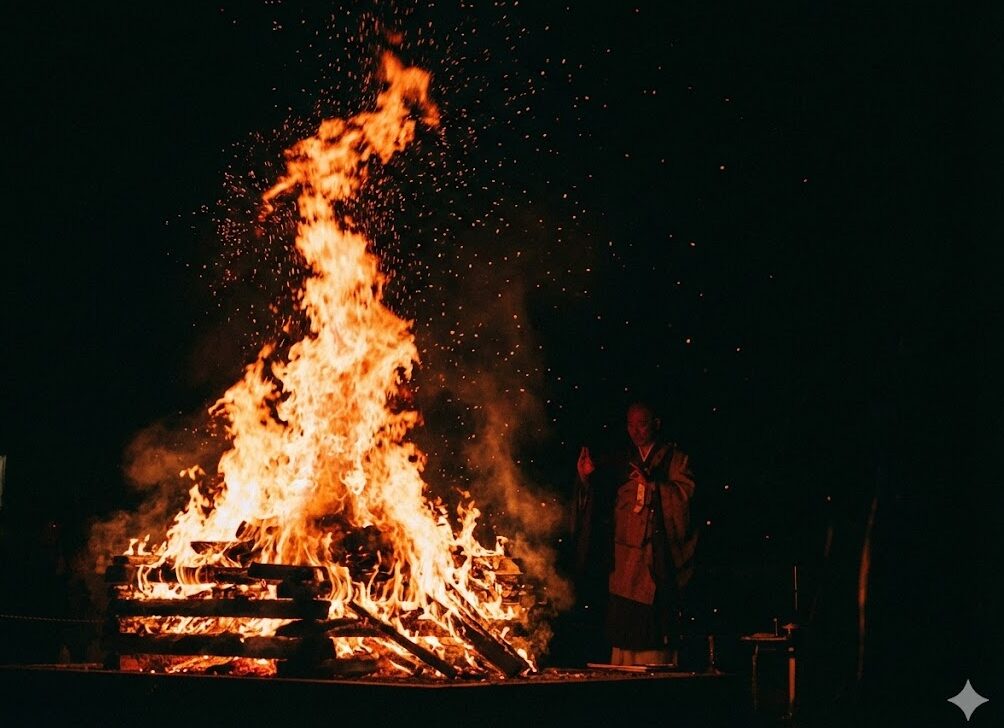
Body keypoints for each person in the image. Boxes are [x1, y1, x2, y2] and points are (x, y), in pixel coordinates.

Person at [572, 401, 698, 666]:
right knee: (623, 631)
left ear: (656, 424)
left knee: (653, 632)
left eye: (642, 424)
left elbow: (685, 498)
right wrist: (587, 478)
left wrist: (653, 487)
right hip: (624, 562)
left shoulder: (676, 459)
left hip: (656, 561)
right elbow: (602, 503)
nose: (636, 431)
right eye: (631, 425)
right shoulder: (622, 461)